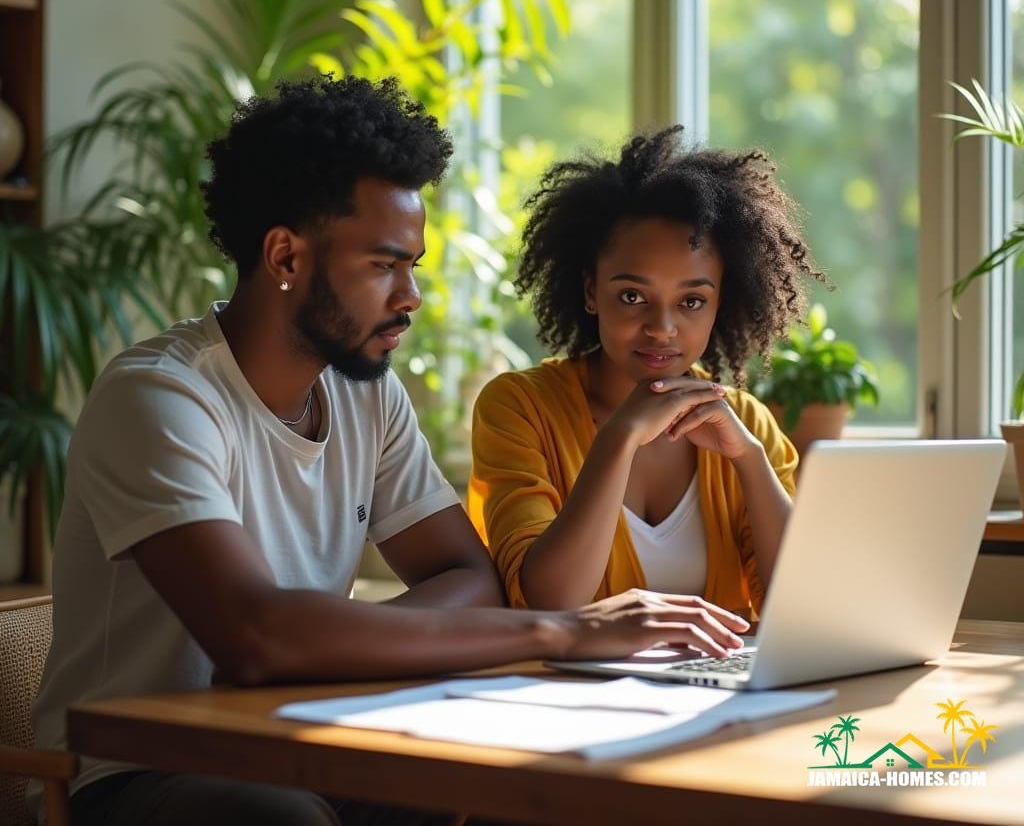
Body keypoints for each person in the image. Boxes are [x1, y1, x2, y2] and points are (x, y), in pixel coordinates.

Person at [30, 80, 748, 826]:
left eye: (415, 265)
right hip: (130, 774)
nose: (410, 296)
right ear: (285, 255)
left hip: (300, 738)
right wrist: (568, 629)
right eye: (383, 265)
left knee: (504, 797)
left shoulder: (363, 392)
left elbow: (467, 576)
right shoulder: (160, 398)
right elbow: (254, 637)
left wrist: (322, 647)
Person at [468, 127, 827, 620]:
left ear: (721, 303)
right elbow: (550, 603)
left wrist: (748, 458)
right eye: (633, 296)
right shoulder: (519, 407)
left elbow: (805, 607)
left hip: (717, 692)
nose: (661, 328)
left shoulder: (745, 422)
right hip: (566, 693)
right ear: (592, 292)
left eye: (692, 301)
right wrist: (619, 437)